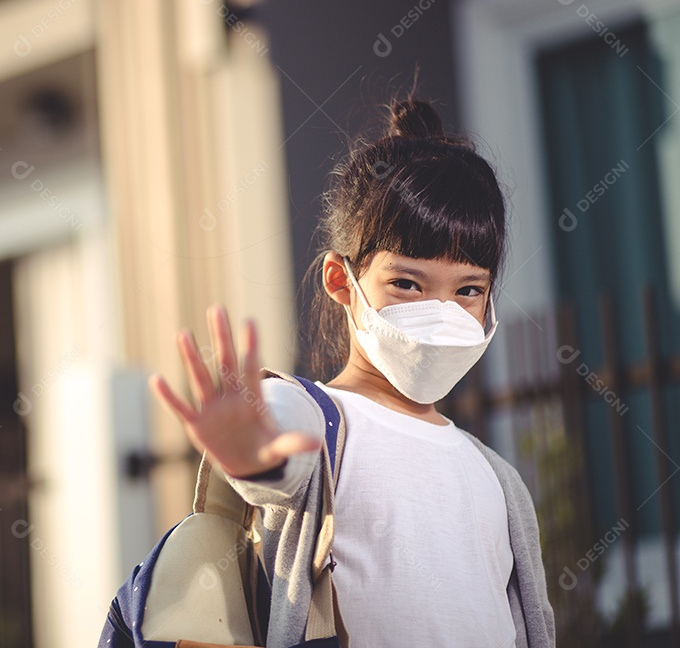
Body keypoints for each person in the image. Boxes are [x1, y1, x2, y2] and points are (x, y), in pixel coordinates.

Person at [150, 98, 555, 647]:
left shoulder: (498, 479)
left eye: (469, 290)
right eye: (407, 284)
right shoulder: (323, 423)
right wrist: (256, 453)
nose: (441, 313)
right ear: (342, 281)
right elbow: (285, 446)